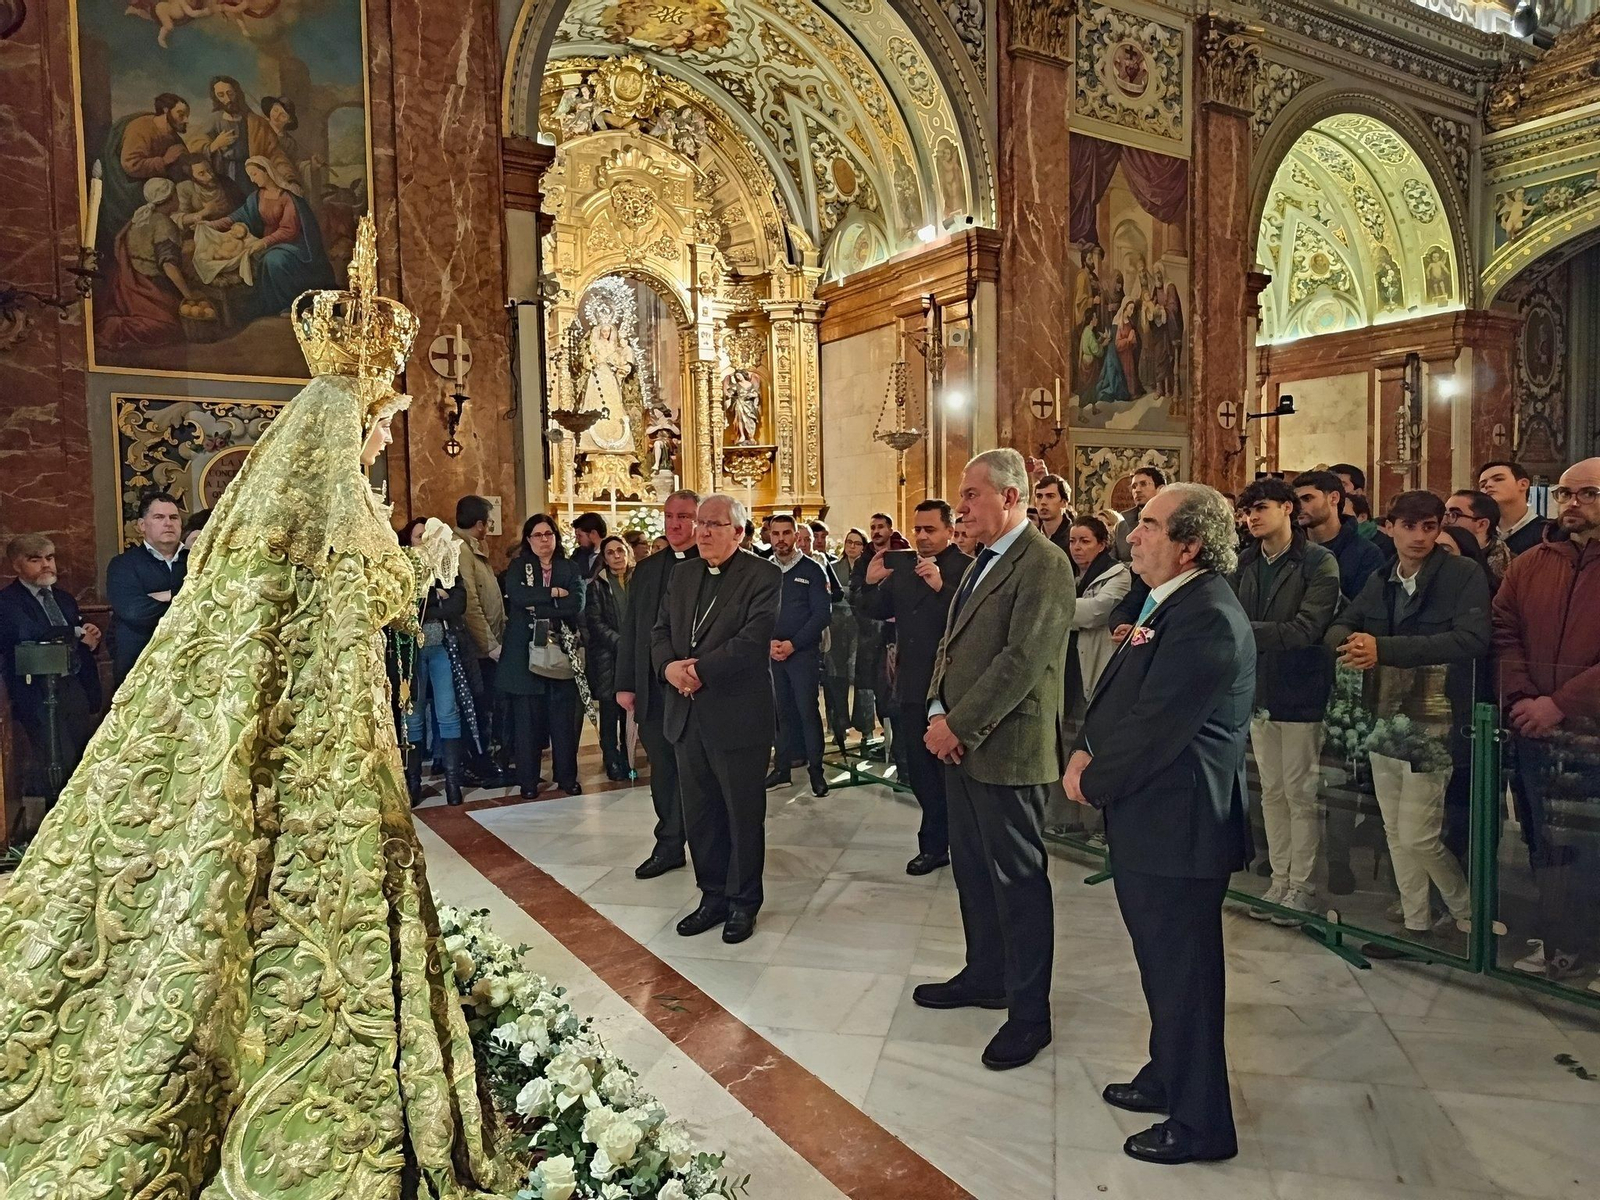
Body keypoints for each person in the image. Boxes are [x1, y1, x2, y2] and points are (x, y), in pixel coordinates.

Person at [0, 224, 509, 1193]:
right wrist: (424, 563)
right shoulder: (336, 504)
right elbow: (360, 601)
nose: (382, 437)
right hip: (314, 738)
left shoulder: (278, 514)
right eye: (379, 421)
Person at [1066, 482, 1253, 1165]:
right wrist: (1086, 746)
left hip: (1181, 824)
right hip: (1154, 818)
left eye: (1148, 524)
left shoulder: (1206, 616)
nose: (1133, 535)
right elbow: (1125, 693)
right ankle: (1168, 1072)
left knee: (1186, 978)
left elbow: (1157, 726)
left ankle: (1202, 1125)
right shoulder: (1168, 601)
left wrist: (1092, 781)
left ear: (1190, 545)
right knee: (1162, 967)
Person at [916, 449, 1074, 1072]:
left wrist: (957, 725)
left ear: (1010, 497)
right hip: (961, 745)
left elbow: (1022, 661)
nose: (960, 506)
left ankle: (1030, 1014)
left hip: (1008, 749)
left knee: (1019, 884)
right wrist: (937, 710)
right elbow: (950, 646)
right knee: (973, 872)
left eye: (971, 494)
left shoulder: (1044, 564)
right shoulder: (980, 560)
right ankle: (985, 974)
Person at [1326, 489, 1489, 947]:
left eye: (1429, 527)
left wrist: (1383, 649)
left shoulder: (1461, 573)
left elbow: (1472, 640)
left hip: (1435, 717)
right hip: (1383, 714)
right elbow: (1341, 623)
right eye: (1409, 526)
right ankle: (1416, 923)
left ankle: (1468, 913)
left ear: (1439, 529)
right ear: (1389, 527)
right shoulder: (1382, 577)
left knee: (1419, 835)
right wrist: (1351, 643)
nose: (1419, 536)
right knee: (1395, 832)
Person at [652, 493, 781, 945]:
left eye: (714, 524)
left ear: (739, 532)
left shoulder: (762, 575)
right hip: (687, 714)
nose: (702, 532)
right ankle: (712, 896)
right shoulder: (683, 574)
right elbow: (660, 631)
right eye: (700, 523)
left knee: (741, 815)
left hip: (736, 716)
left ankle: (744, 902)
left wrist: (698, 672)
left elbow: (752, 640)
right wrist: (669, 669)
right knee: (701, 814)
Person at [1491, 458, 1600, 981]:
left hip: (1591, 731)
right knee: (1545, 841)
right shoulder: (1531, 562)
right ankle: (1562, 943)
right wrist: (1523, 698)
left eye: (1589, 493)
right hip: (1536, 730)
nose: (1573, 503)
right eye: (1565, 493)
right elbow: (1504, 629)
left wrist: (1561, 703)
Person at [1230, 478, 1341, 925]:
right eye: (1247, 511)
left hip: (1301, 690)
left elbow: (1305, 630)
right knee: (1272, 793)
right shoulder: (1245, 561)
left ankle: (1303, 887)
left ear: (1287, 509)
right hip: (1258, 690)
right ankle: (1279, 882)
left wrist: (1242, 632)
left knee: (1300, 794)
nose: (1252, 517)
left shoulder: (1317, 561)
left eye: (1261, 508)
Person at [861, 499, 970, 874]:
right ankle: (934, 845)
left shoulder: (967, 569)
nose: (922, 537)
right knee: (920, 771)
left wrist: (941, 587)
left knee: (953, 774)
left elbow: (972, 623)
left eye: (930, 530)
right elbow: (873, 609)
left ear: (950, 531)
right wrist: (870, 581)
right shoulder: (906, 567)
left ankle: (963, 845)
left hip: (951, 688)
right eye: (918, 529)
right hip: (911, 684)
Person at [616, 489, 700, 880]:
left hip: (696, 690)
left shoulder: (711, 564)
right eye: (669, 516)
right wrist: (625, 684)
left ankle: (707, 846)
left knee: (697, 774)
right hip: (653, 690)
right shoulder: (648, 570)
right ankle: (668, 845)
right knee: (663, 773)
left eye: (683, 516)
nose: (674, 524)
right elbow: (632, 630)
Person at [0, 534, 104, 789]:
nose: (46, 565)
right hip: (38, 692)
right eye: (35, 560)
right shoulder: (8, 601)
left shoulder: (64, 598)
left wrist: (90, 637)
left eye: (50, 558)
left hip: (73, 686)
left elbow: (77, 632)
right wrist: (76, 633)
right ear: (17, 565)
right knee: (57, 761)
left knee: (82, 758)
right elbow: (30, 633)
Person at [499, 513, 587, 798]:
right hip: (524, 655)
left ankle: (567, 777)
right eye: (537, 535)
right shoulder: (519, 566)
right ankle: (528, 781)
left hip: (559, 651)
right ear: (528, 539)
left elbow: (576, 603)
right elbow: (518, 597)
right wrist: (555, 593)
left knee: (563, 722)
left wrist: (539, 604)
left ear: (555, 537)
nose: (544, 540)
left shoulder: (569, 567)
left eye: (548, 534)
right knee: (527, 723)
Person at [395, 518, 479, 808]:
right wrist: (436, 597)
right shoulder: (402, 566)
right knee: (413, 715)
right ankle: (413, 782)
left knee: (448, 711)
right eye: (419, 536)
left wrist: (429, 604)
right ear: (409, 540)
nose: (425, 541)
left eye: (429, 535)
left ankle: (453, 784)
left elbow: (458, 604)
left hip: (443, 648)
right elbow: (404, 606)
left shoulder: (447, 565)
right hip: (412, 651)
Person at [209, 156, 334, 320]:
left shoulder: (287, 197)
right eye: (250, 176)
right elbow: (236, 217)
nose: (252, 180)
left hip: (294, 245)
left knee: (274, 260)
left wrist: (264, 242)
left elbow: (289, 230)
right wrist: (211, 225)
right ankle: (271, 304)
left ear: (267, 171)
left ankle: (288, 304)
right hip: (269, 244)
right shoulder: (256, 197)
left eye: (254, 174)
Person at [765, 515, 832, 796]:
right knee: (779, 714)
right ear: (769, 536)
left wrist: (794, 644)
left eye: (786, 533)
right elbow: (755, 612)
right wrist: (768, 643)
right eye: (775, 533)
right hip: (771, 654)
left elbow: (822, 614)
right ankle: (781, 769)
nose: (781, 539)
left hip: (802, 654)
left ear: (795, 535)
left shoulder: (813, 570)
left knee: (807, 711)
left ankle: (816, 771)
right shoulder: (764, 570)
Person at [105, 490, 187, 683]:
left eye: (173, 517)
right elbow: (135, 612)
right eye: (159, 517)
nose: (168, 523)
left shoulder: (199, 561)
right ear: (142, 525)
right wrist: (184, 600)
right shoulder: (123, 565)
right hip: (139, 667)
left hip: (188, 664)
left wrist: (168, 595)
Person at [453, 494, 507, 783]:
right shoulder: (462, 550)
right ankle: (477, 763)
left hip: (488, 644)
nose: (489, 528)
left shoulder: (473, 548)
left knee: (488, 705)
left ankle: (486, 759)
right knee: (478, 706)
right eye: (488, 523)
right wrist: (490, 644)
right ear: (479, 524)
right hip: (477, 649)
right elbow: (471, 604)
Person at [1064, 515, 1131, 712]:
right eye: (1072, 541)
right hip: (1067, 662)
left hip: (1096, 659)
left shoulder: (1118, 574)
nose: (1076, 547)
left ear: (1101, 545)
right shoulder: (1068, 573)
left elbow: (1095, 611)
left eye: (1085, 541)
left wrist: (1052, 607)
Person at [1293, 470, 1388, 600]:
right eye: (1295, 501)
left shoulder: (1367, 554)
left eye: (1307, 498)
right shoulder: (1290, 548)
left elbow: (1364, 607)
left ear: (1333, 498)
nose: (1299, 507)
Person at [587, 534, 633, 781]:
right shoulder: (597, 585)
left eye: (620, 551)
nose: (617, 556)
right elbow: (595, 622)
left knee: (631, 709)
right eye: (611, 553)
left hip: (634, 653)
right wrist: (620, 643)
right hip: (608, 656)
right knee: (609, 710)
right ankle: (611, 757)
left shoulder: (639, 580)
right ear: (604, 559)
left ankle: (628, 755)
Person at [823, 527, 865, 752]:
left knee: (861, 679)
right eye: (849, 542)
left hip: (862, 628)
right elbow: (831, 591)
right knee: (836, 678)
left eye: (857, 543)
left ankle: (865, 728)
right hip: (837, 628)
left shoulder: (868, 567)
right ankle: (838, 725)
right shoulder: (834, 566)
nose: (852, 547)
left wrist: (847, 592)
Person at [1478, 460, 1552, 556]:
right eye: (1482, 485)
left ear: (1523, 484)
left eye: (1498, 479)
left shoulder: (1548, 532)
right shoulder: (1479, 532)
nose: (1487, 485)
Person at [1445, 489, 1512, 590]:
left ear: (1481, 525)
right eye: (1444, 514)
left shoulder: (1513, 567)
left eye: (1454, 514)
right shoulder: (1437, 555)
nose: (1444, 521)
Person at [1114, 466, 1164, 562]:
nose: (1137, 490)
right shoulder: (1121, 528)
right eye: (1134, 486)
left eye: (1143, 484)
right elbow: (1112, 564)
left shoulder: (1173, 521)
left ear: (1161, 489)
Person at [1034, 473, 1073, 556]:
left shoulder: (1073, 538)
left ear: (1064, 502)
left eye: (1050, 496)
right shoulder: (1031, 537)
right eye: (1039, 496)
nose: (1043, 502)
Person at [572, 511, 608, 579]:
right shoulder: (578, 554)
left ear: (593, 534)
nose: (577, 541)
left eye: (580, 536)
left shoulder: (610, 554)